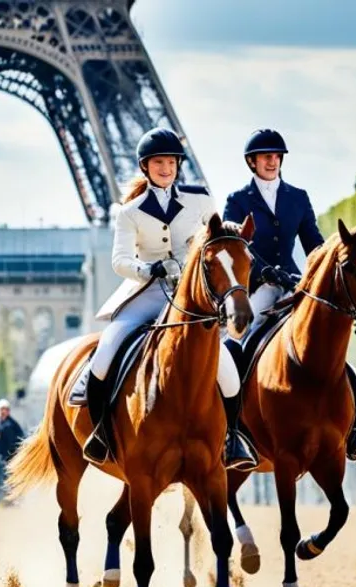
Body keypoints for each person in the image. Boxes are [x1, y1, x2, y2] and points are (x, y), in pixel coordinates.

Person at [86, 127, 254, 470]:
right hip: (147, 293)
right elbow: (119, 261)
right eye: (158, 162)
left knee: (228, 371)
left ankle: (233, 437)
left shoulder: (200, 200)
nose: (166, 168)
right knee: (103, 356)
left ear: (179, 165)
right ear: (146, 167)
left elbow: (216, 238)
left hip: (190, 298)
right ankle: (102, 432)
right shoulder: (129, 212)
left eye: (171, 162)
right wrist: (150, 269)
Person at [223, 129, 356, 463]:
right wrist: (262, 271)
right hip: (258, 288)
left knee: (331, 351)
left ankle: (353, 431)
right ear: (252, 162)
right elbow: (235, 247)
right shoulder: (238, 200)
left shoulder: (298, 197)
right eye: (266, 156)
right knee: (241, 345)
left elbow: (315, 245)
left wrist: (312, 276)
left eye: (277, 156)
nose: (272, 161)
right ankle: (232, 433)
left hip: (295, 284)